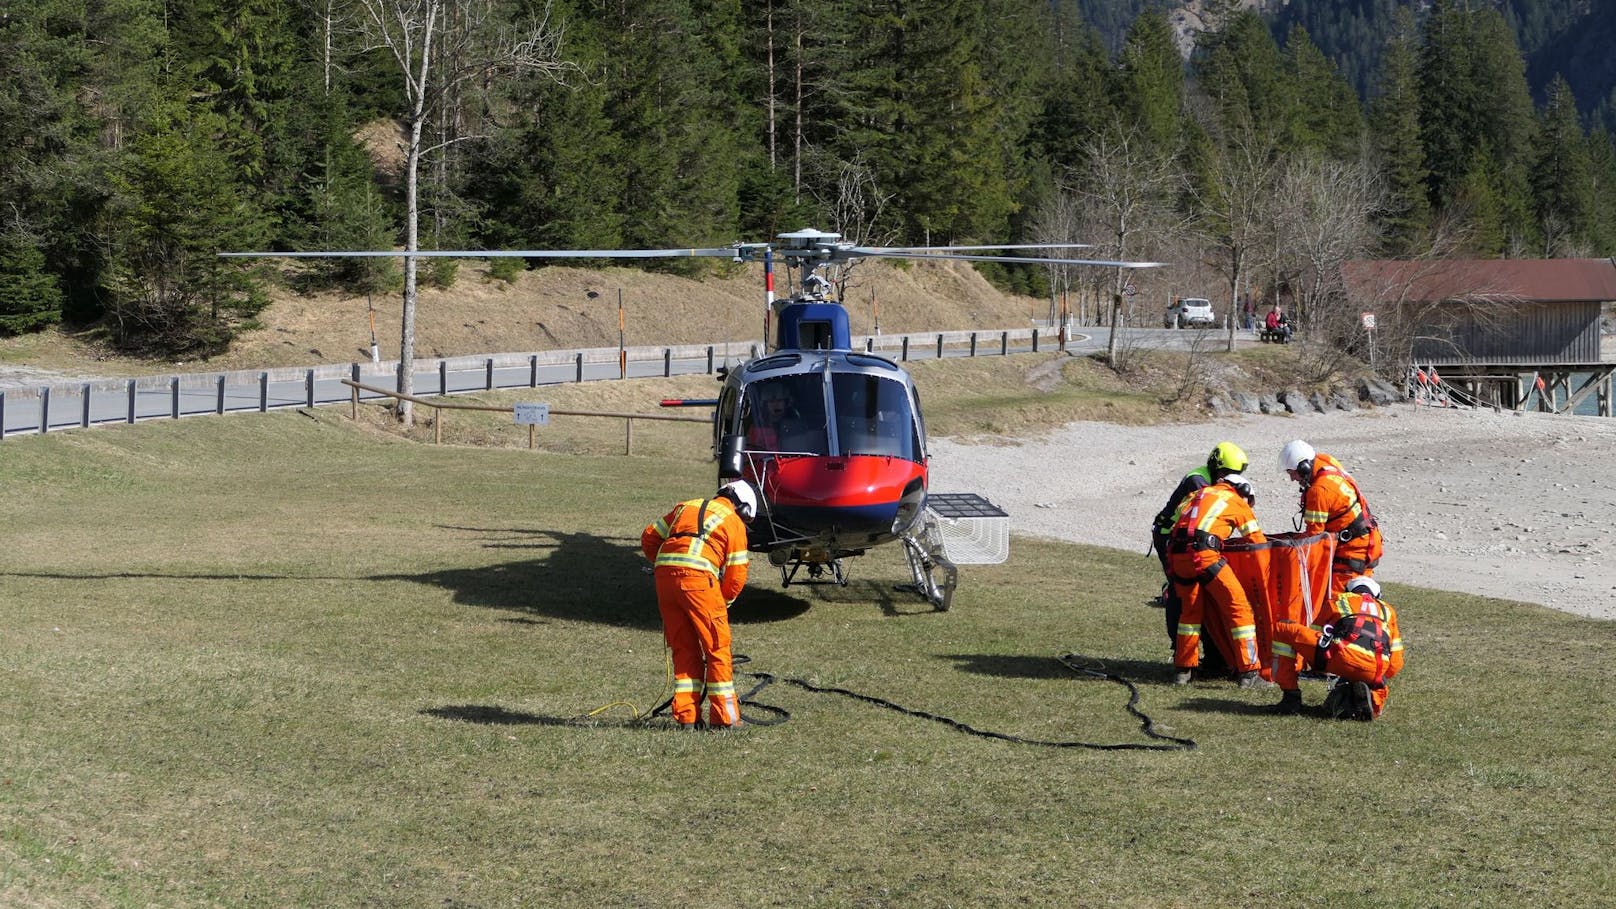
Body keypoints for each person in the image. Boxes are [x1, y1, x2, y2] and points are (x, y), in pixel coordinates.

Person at [641, 480, 757, 729]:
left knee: (684, 648)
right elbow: (736, 575)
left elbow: (649, 537)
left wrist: (667, 566)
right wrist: (722, 602)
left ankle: (687, 718)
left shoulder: (686, 506)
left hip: (665, 580)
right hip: (698, 582)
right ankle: (725, 719)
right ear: (745, 509)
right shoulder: (734, 522)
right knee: (717, 648)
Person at [1164, 443, 1271, 688]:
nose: (1249, 503)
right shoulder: (1236, 501)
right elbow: (1258, 544)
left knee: (1189, 614)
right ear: (1242, 490)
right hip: (1203, 556)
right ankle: (1249, 672)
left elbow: (1182, 519)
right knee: (1239, 608)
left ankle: (1183, 671)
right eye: (1249, 499)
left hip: (1177, 555)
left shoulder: (1200, 493)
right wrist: (1265, 576)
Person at [1270, 576, 1405, 719]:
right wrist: (1373, 676)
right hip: (1376, 667)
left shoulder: (1339, 599)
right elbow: (1396, 663)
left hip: (1339, 656)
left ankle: (1290, 698)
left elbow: (1316, 633)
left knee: (1283, 628)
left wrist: (1316, 665)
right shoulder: (1388, 611)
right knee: (1373, 680)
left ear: (1349, 590)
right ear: (1378, 596)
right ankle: (1371, 699)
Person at [1279, 439, 1384, 600]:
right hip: (1366, 542)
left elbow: (1314, 538)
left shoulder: (1319, 490)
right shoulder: (1325, 461)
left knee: (1339, 602)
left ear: (1304, 467)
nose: (1292, 478)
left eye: (1292, 472)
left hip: (1353, 552)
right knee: (1362, 596)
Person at [746, 384, 794, 451]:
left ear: (787, 402)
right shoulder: (757, 428)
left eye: (780, 400)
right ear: (765, 404)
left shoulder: (796, 426)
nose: (776, 405)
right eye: (771, 401)